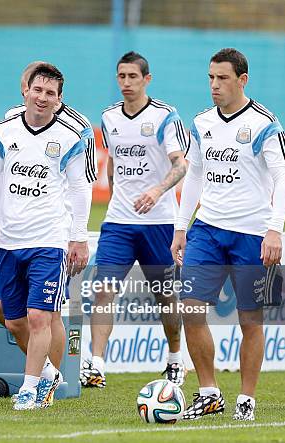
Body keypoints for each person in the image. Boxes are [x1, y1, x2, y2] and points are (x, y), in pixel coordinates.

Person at [171, 48, 285, 421]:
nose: (214, 85)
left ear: (242, 80)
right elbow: (194, 175)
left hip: (252, 235)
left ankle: (246, 400)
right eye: (210, 77)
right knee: (190, 311)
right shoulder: (202, 122)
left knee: (250, 320)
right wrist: (180, 225)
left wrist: (274, 229)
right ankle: (209, 392)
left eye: (222, 78)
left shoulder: (264, 123)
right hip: (207, 229)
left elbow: (283, 177)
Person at [0, 63, 93, 410]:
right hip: (8, 242)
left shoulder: (71, 136)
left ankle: (30, 388)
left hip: (48, 242)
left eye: (51, 94)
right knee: (13, 320)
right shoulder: (3, 132)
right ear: (25, 90)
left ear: (59, 100)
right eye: (38, 90)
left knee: (41, 317)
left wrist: (78, 236)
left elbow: (81, 188)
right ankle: (49, 372)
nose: (43, 98)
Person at [81, 52, 188, 388]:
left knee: (165, 296)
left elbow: (181, 164)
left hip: (159, 223)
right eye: (121, 77)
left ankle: (175, 359)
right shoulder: (108, 118)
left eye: (132, 77)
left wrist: (157, 191)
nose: (126, 83)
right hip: (119, 223)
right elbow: (112, 160)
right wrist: (115, 198)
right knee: (103, 290)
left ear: (147, 79)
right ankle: (96, 364)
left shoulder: (165, 116)